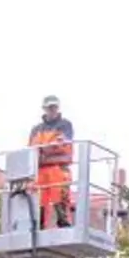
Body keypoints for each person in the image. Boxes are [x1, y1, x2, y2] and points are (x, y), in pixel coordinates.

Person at [28, 95, 75, 228]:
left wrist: (43, 150)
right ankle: (39, 226)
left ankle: (63, 223)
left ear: (58, 108)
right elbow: (31, 150)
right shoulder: (36, 129)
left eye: (54, 107)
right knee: (39, 200)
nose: (52, 110)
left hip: (59, 168)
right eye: (49, 107)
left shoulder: (65, 125)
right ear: (44, 109)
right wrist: (48, 148)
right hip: (40, 170)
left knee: (60, 196)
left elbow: (61, 145)